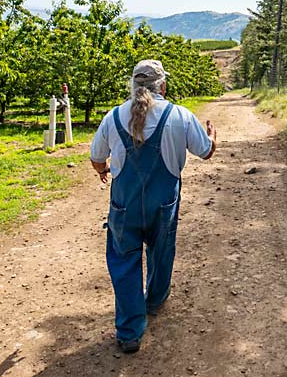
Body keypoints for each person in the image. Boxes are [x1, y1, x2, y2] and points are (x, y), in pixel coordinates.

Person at [89, 59, 216, 354]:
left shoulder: (113, 117)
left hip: (124, 206)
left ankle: (130, 332)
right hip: (163, 203)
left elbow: (97, 156)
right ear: (163, 85)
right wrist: (212, 136)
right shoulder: (180, 116)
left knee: (124, 261)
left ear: (133, 86)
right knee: (161, 252)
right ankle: (155, 300)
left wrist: (101, 170)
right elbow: (206, 152)